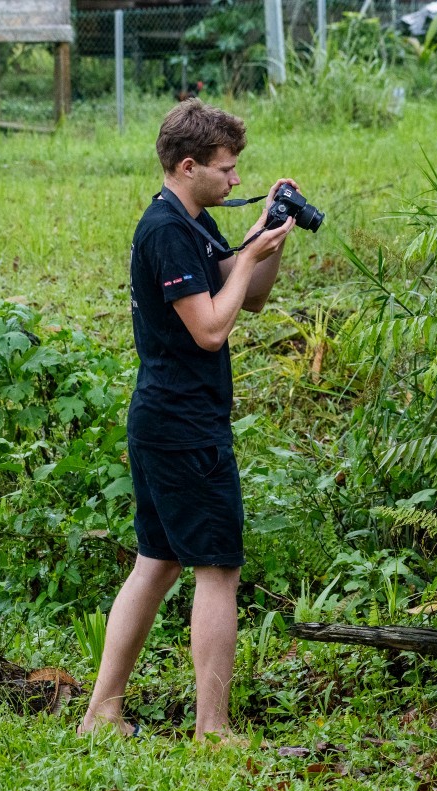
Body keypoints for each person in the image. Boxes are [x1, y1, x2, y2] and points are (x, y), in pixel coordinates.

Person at [79, 99, 298, 741]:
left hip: (164, 419)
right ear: (188, 165)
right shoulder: (167, 231)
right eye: (227, 170)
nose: (235, 180)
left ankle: (103, 711)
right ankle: (213, 727)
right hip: (182, 424)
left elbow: (249, 297)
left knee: (157, 561)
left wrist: (265, 237)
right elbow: (209, 328)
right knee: (217, 567)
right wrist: (250, 250)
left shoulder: (191, 222)